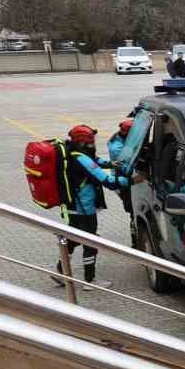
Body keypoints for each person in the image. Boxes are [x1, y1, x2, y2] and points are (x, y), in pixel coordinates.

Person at [54, 124, 130, 289]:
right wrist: (130, 181)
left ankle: (60, 272)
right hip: (84, 208)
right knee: (91, 241)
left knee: (73, 239)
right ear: (83, 143)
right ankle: (89, 281)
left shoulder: (74, 153)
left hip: (72, 206)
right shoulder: (81, 158)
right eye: (90, 141)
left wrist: (112, 164)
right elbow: (107, 181)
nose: (93, 143)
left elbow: (96, 162)